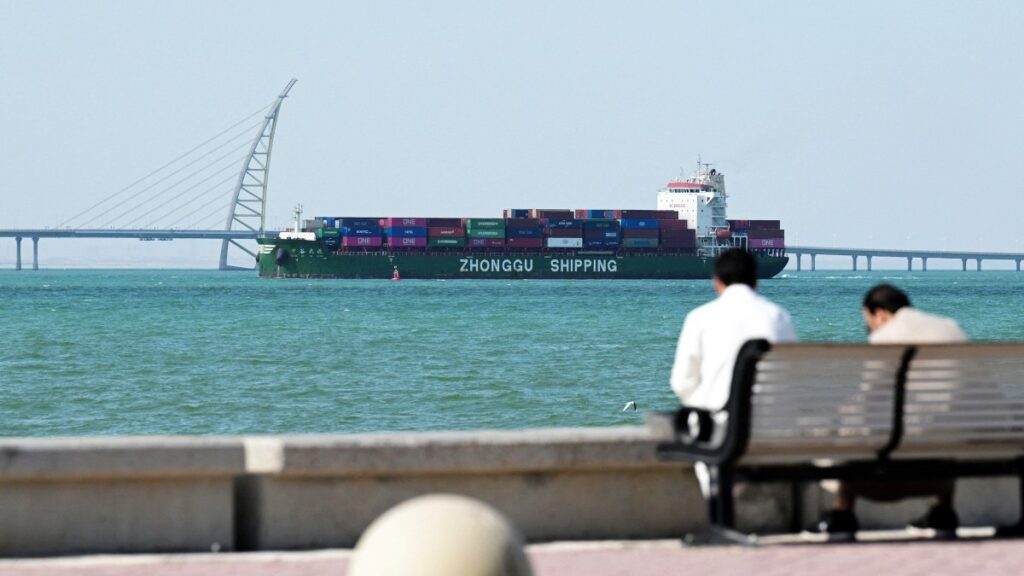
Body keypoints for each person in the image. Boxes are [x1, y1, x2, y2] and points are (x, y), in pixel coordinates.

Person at [816, 283, 967, 538]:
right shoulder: (950, 328)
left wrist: (844, 417)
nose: (870, 330)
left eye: (868, 322)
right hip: (945, 462)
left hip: (892, 465)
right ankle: (944, 511)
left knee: (848, 430)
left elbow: (868, 400)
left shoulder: (885, 338)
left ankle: (843, 514)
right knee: (940, 422)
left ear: (880, 314)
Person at [670, 248, 797, 412]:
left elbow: (682, 382)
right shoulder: (779, 317)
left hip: (716, 426)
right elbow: (792, 375)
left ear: (716, 282)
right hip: (771, 424)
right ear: (756, 281)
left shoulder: (699, 318)